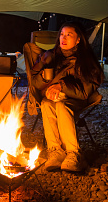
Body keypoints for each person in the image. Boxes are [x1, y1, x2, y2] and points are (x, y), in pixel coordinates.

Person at [30, 21, 103, 172]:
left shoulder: (85, 59)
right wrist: (45, 75)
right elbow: (36, 84)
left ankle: (73, 154)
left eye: (69, 35)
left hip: (78, 98)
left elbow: (85, 90)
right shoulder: (52, 56)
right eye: (62, 34)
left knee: (62, 106)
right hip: (55, 97)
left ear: (78, 40)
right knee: (46, 103)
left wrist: (62, 85)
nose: (64, 38)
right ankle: (55, 151)